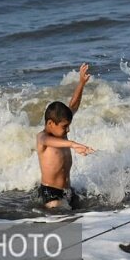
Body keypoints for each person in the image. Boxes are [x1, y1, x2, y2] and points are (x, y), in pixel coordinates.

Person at [36, 63, 94, 208]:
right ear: (50, 123)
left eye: (68, 126)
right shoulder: (42, 138)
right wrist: (73, 144)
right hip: (51, 192)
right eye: (64, 127)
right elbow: (49, 141)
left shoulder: (60, 130)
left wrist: (81, 83)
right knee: (59, 214)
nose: (67, 130)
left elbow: (73, 106)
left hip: (67, 190)